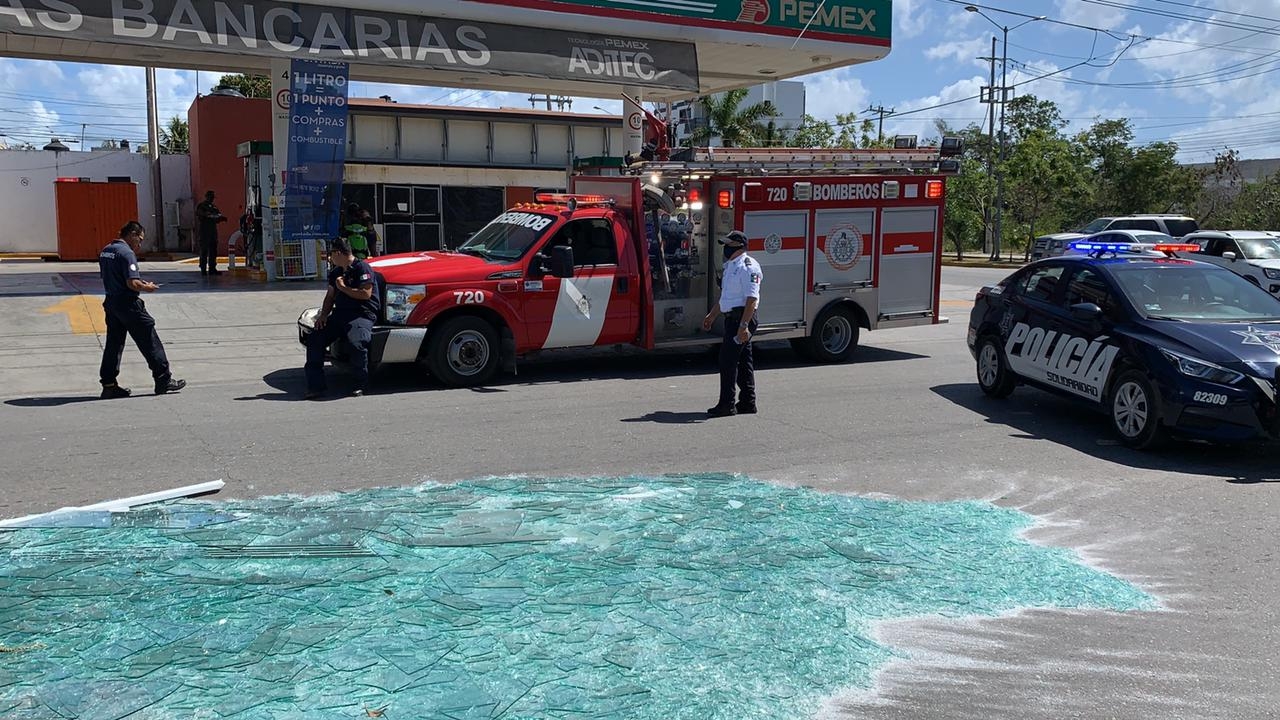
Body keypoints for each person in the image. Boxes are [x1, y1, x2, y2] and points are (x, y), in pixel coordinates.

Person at [98, 221, 186, 399]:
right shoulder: (126, 253)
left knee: (114, 345)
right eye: (139, 239)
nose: (140, 244)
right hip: (128, 304)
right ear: (132, 234)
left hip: (112, 302)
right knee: (149, 340)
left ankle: (109, 384)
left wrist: (139, 282)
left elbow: (117, 277)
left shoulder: (106, 251)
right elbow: (132, 283)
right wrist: (148, 287)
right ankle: (163, 380)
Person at [305, 237, 380, 399]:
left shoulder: (362, 268)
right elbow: (330, 296)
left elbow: (365, 294)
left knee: (357, 344)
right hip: (340, 314)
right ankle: (315, 386)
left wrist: (344, 288)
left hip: (361, 314)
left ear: (338, 253)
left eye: (331, 254)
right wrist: (323, 315)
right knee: (315, 339)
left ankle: (360, 384)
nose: (330, 258)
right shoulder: (336, 272)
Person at [701, 230, 762, 417]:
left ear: (738, 246)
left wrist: (743, 326)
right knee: (744, 362)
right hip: (733, 319)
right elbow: (727, 298)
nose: (725, 248)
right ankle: (747, 403)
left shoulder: (748, 267)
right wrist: (711, 316)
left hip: (742, 320)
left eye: (728, 244)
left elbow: (752, 299)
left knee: (727, 361)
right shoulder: (730, 267)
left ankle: (727, 404)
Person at [195, 190, 227, 276]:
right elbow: (201, 214)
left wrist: (221, 218)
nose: (212, 198)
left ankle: (212, 268)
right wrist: (209, 215)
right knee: (204, 250)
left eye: (212, 197)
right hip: (204, 231)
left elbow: (218, 216)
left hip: (212, 231)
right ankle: (203, 269)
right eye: (210, 196)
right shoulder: (202, 206)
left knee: (213, 251)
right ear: (207, 196)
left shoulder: (214, 207)